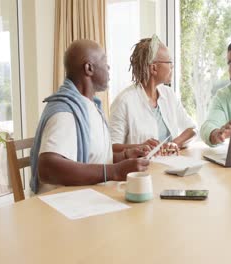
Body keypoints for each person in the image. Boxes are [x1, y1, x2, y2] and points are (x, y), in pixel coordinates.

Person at [30, 39, 149, 194]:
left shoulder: (91, 107)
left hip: (89, 198)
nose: (108, 67)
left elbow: (93, 156)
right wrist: (114, 172)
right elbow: (47, 168)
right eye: (104, 61)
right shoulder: (66, 112)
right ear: (89, 68)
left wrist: (124, 156)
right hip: (63, 207)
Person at [109, 35, 197, 156]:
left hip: (171, 165)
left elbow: (192, 129)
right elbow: (111, 147)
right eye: (169, 62)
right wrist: (139, 147)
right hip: (142, 172)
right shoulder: (123, 101)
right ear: (154, 68)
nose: (172, 66)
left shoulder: (169, 94)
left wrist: (174, 143)